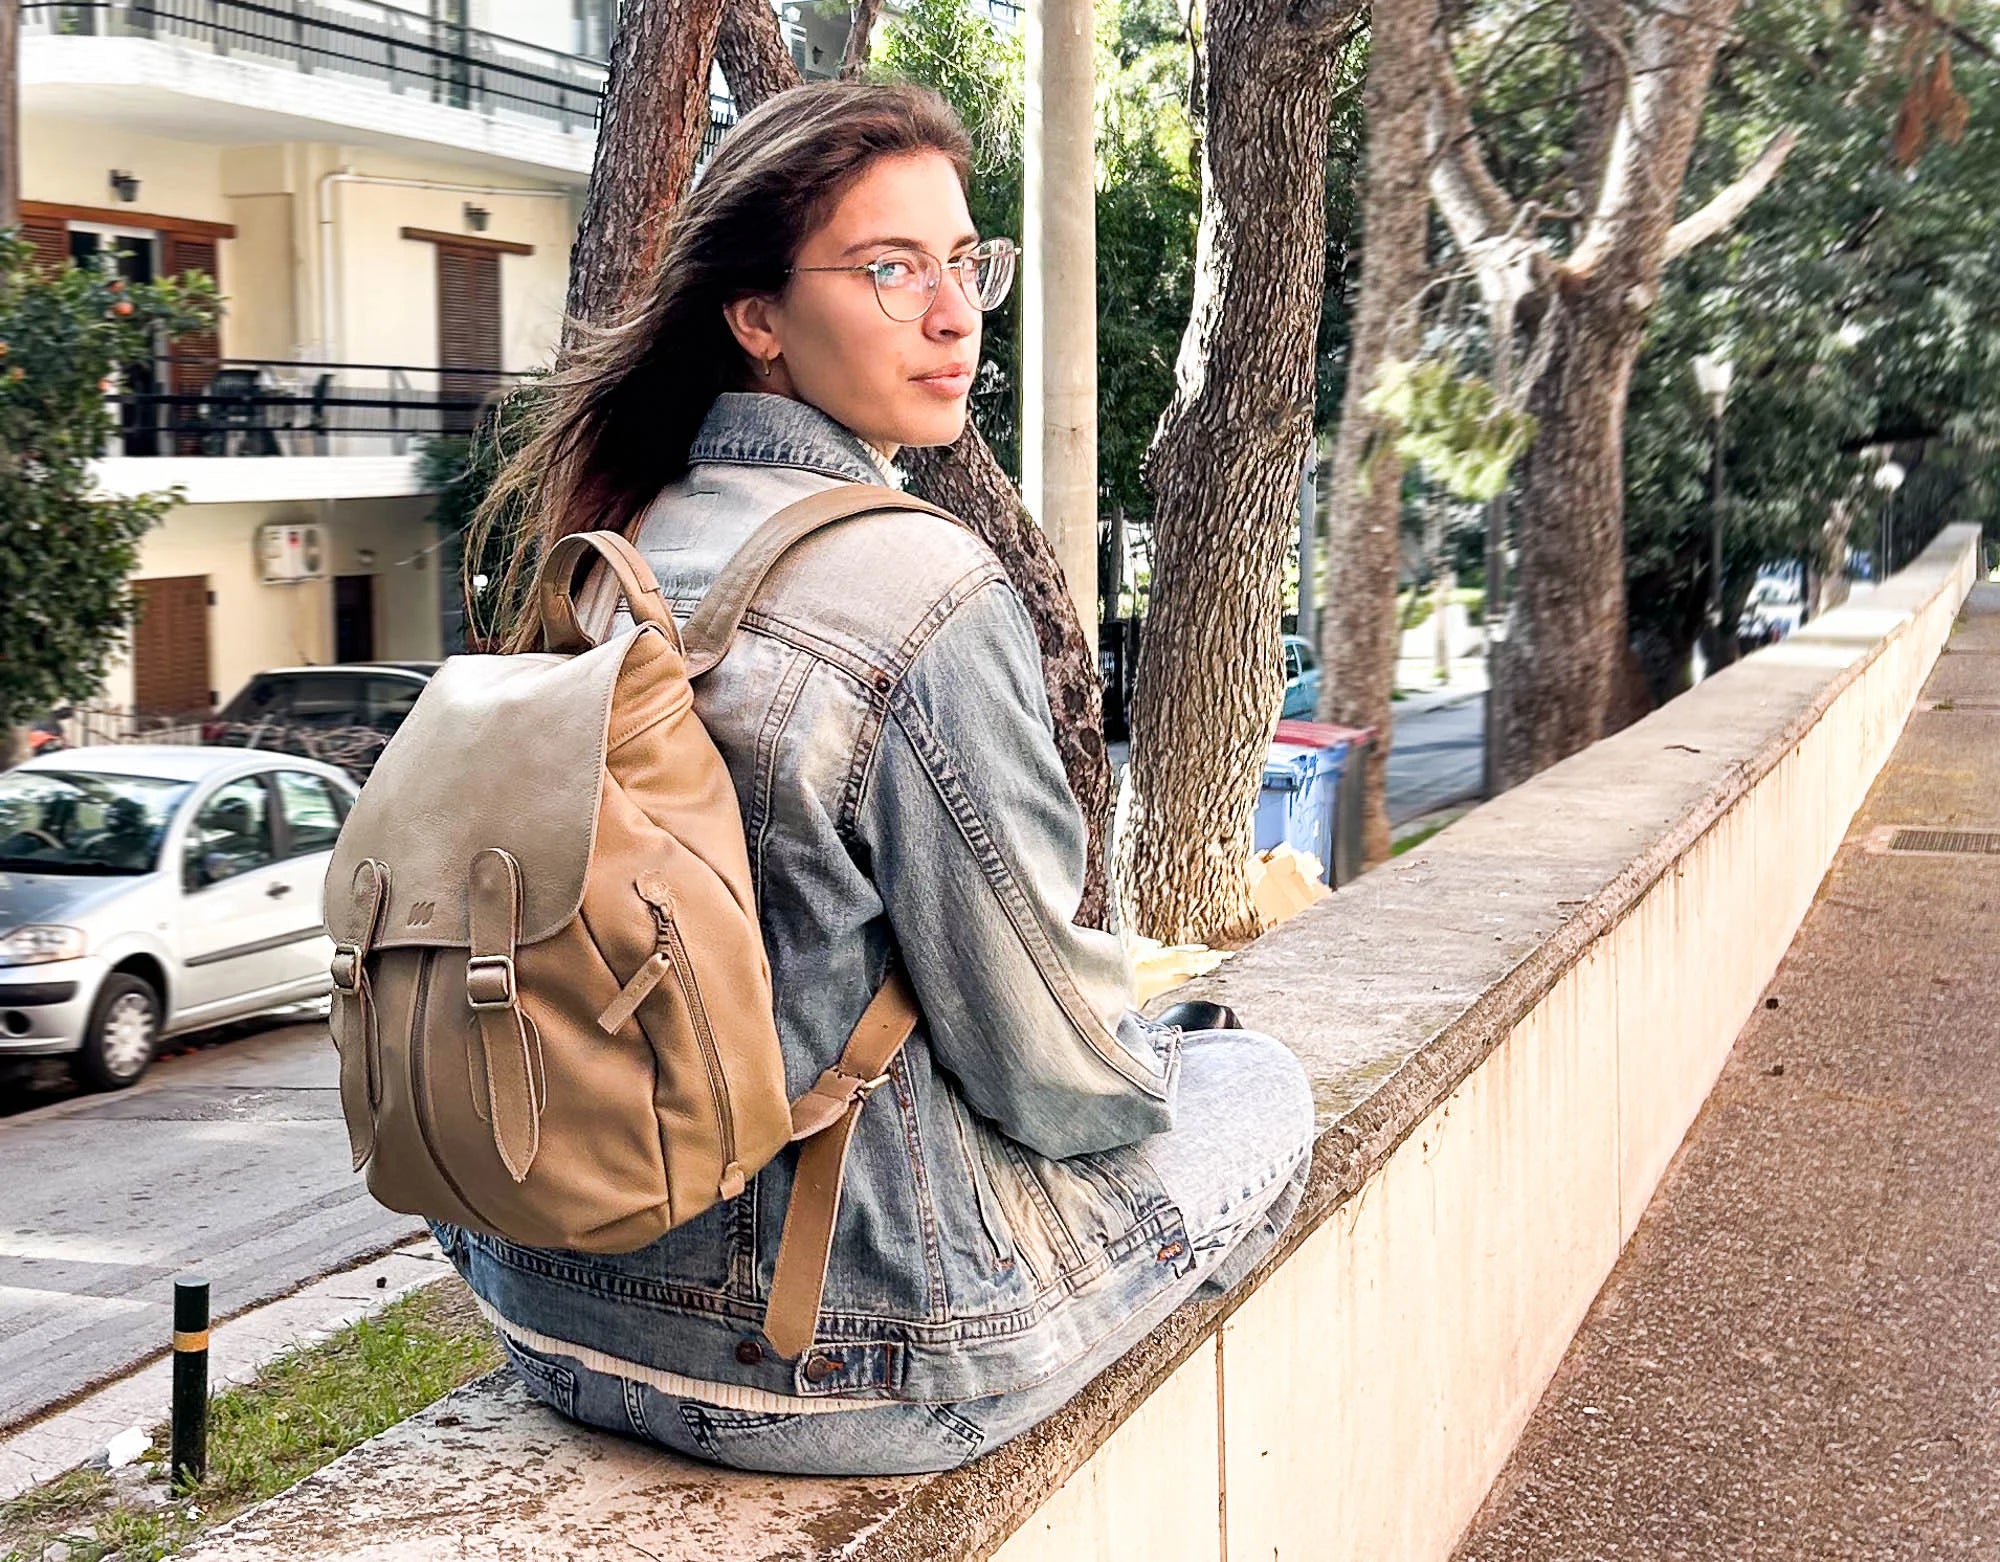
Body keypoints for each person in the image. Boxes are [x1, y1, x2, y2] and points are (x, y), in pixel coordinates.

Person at [443, 80, 1314, 1477]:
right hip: (837, 1359)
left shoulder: (617, 549)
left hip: (550, 1313)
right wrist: (1154, 1053)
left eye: (966, 263)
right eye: (891, 269)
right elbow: (1050, 1066)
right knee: (1254, 1083)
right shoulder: (919, 586)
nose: (955, 315)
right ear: (758, 316)